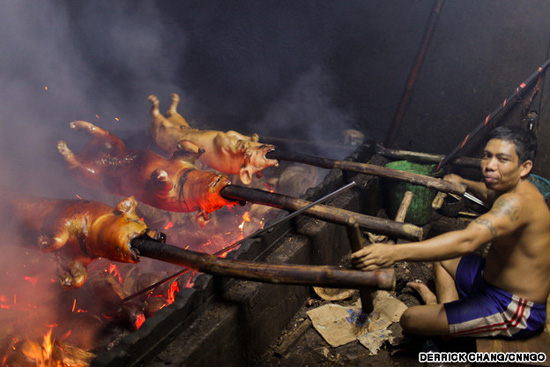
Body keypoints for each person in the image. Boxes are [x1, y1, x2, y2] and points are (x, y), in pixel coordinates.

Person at [352, 126, 550, 339]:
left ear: (524, 167)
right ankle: (450, 318)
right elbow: (489, 193)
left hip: (513, 308)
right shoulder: (514, 188)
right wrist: (463, 182)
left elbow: (468, 240)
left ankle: (444, 323)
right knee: (446, 258)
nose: (490, 166)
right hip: (489, 281)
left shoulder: (515, 204)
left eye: (502, 159)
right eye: (487, 156)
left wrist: (393, 252)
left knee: (409, 319)